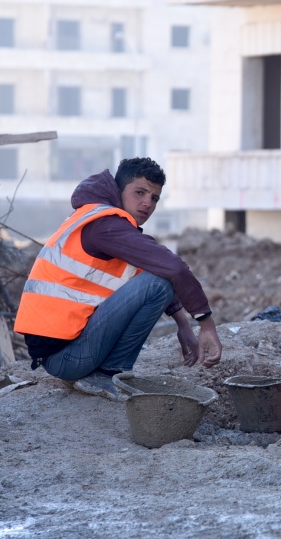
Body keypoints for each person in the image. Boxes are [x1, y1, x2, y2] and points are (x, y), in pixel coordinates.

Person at [13, 157, 222, 400]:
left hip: (64, 352)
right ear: (119, 190)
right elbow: (173, 268)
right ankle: (106, 374)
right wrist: (206, 326)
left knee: (156, 279)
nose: (147, 203)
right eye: (139, 192)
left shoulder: (98, 217)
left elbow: (145, 271)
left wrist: (183, 323)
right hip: (67, 358)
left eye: (154, 198)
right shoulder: (106, 225)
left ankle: (104, 373)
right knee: (159, 282)